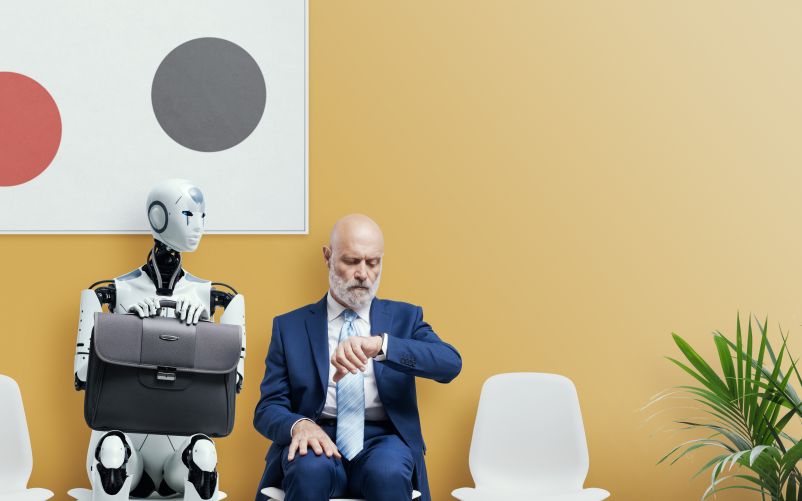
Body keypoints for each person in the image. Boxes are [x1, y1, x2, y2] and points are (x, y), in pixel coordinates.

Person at [254, 214, 461, 501]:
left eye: (372, 262)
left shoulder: (405, 317)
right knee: (308, 471)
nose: (363, 273)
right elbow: (267, 408)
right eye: (351, 261)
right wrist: (299, 425)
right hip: (317, 437)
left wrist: (381, 346)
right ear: (328, 257)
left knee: (387, 473)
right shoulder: (289, 327)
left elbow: (450, 363)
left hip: (384, 440)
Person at [73, 179, 246, 501]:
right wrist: (125, 326)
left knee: (205, 454)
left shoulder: (219, 298)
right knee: (111, 450)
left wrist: (204, 329)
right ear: (158, 216)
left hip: (181, 450)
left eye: (202, 216)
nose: (198, 227)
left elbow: (233, 382)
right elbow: (83, 376)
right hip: (122, 442)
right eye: (187, 214)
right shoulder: (107, 292)